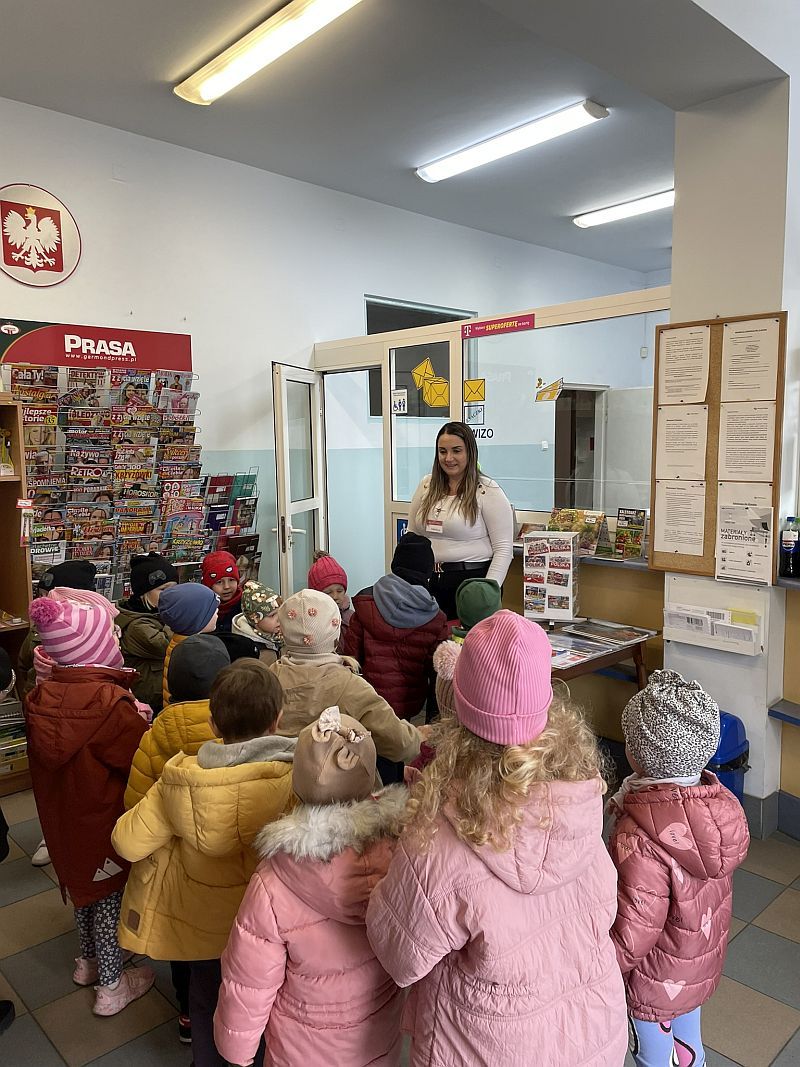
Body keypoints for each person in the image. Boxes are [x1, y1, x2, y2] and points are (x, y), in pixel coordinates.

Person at [366, 610, 628, 1066]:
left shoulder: (436, 839)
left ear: (458, 708)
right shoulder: (583, 801)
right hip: (593, 1037)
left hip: (487, 1048)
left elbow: (400, 955)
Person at [113, 660, 296, 1067]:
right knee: (263, 1005)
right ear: (278, 720)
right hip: (267, 930)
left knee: (205, 998)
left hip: (199, 929)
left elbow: (125, 841)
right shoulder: (292, 780)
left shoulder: (177, 781)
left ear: (213, 724)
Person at [214, 708, 405, 1067]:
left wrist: (235, 1049)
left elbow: (251, 980)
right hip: (379, 1032)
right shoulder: (402, 851)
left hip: (301, 1047)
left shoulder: (274, 883)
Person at [607, 670, 750, 1067]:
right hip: (694, 963)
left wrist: (603, 967)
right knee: (688, 1045)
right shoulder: (714, 807)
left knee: (653, 1055)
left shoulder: (640, 835)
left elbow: (636, 926)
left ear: (640, 754)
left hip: (654, 976)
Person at [25, 592, 154, 1017]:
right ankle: (112, 986)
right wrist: (143, 723)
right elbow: (136, 758)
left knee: (83, 890)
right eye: (112, 635)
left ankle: (88, 960)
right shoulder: (109, 704)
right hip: (103, 819)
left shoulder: (41, 696)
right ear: (95, 649)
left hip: (63, 821)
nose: (118, 640)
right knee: (109, 896)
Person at [124, 632, 231, 1043]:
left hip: (173, 867)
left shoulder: (154, 734)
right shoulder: (235, 728)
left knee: (182, 945)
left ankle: (187, 1014)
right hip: (226, 861)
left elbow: (134, 802)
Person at [270, 589, 423, 765]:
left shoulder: (266, 680)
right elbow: (401, 745)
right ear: (335, 633)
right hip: (337, 779)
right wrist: (420, 736)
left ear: (284, 632)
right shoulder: (352, 687)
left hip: (271, 777)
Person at [342, 532, 448, 783]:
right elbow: (437, 672)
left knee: (372, 752)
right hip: (408, 703)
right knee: (399, 751)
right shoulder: (436, 617)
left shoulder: (366, 602)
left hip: (367, 699)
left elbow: (349, 658)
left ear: (395, 564)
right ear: (427, 572)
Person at [18, 560, 99, 869]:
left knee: (83, 780)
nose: (48, 603)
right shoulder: (38, 630)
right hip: (45, 715)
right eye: (43, 595)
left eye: (55, 595)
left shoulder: (99, 625)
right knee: (52, 779)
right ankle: (51, 835)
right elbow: (23, 662)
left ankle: (80, 833)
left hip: (83, 715)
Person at [407, 421, 514, 619]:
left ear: (470, 452)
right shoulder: (426, 485)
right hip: (428, 583)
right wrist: (408, 578)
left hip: (471, 585)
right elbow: (411, 535)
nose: (448, 458)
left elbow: (503, 549)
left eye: (456, 451)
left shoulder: (487, 490)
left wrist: (487, 590)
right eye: (442, 451)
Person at [117, 553, 178, 713]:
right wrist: (176, 617)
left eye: (174, 589)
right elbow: (166, 645)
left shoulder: (155, 612)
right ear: (143, 593)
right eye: (163, 590)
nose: (170, 594)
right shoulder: (136, 625)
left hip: (160, 690)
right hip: (149, 696)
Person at [158, 583, 219, 707]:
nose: (217, 610)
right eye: (211, 609)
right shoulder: (196, 655)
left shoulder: (178, 643)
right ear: (197, 618)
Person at [232, 580, 283, 665]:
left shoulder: (277, 635)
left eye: (280, 612)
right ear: (255, 620)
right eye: (272, 615)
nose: (279, 618)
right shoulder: (255, 652)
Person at [307, 551, 353, 641]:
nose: (335, 596)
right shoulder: (308, 621)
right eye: (328, 592)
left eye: (340, 591)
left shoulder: (351, 618)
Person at [202, 551, 242, 633]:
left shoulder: (246, 606)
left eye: (231, 580)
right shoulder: (202, 609)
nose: (226, 587)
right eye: (219, 582)